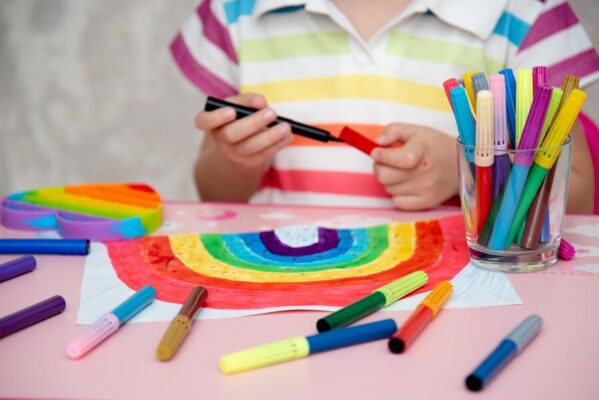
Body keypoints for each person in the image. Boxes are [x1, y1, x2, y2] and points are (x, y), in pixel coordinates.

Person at [171, 0, 599, 212]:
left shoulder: (526, 13)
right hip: (281, 285)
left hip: (452, 300)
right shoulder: (234, 12)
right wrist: (237, 158)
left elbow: (577, 197)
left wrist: (466, 172)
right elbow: (214, 193)